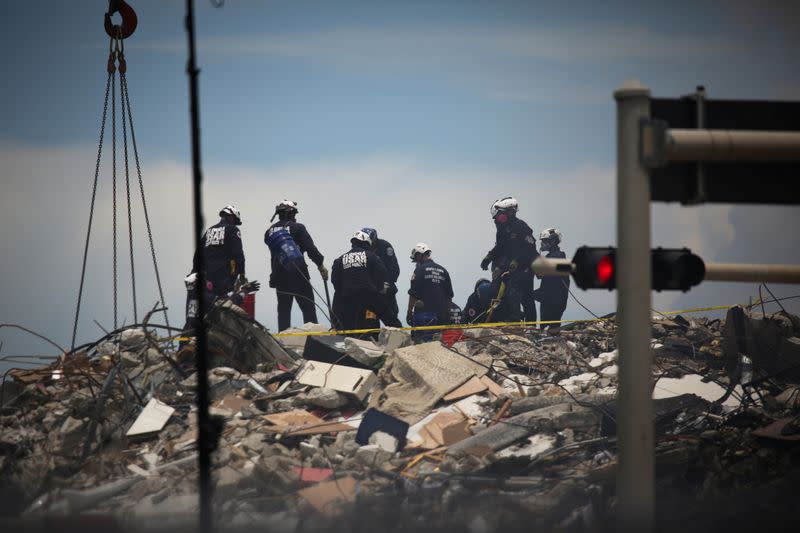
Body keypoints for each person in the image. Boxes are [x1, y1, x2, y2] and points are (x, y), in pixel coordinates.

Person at [181, 205, 246, 343]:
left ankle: (184, 348)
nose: (235, 224)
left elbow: (197, 255)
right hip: (221, 283)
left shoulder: (209, 231)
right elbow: (238, 255)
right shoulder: (232, 230)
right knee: (220, 315)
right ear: (232, 217)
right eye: (235, 221)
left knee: (192, 319)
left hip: (202, 283)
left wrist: (195, 272)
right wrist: (241, 275)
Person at [265, 199, 328, 331]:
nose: (295, 217)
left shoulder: (269, 232)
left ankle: (282, 341)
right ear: (290, 214)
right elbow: (311, 249)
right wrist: (320, 265)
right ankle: (314, 340)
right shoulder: (298, 228)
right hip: (299, 275)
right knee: (308, 309)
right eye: (294, 214)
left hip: (279, 277)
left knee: (283, 312)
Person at [479, 197, 539, 323]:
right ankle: (513, 317)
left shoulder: (521, 226)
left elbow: (531, 248)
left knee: (522, 294)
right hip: (512, 268)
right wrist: (489, 257)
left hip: (525, 267)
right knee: (508, 292)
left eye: (499, 216)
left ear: (509, 212)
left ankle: (523, 321)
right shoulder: (502, 229)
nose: (497, 220)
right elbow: (500, 247)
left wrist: (518, 260)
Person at [331, 230, 389, 332]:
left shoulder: (340, 259)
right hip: (369, 299)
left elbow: (335, 280)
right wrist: (377, 289)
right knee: (387, 318)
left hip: (347, 300)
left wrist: (344, 291)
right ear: (367, 244)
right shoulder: (372, 256)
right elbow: (383, 274)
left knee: (348, 329)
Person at [361, 227, 402, 328]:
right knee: (370, 323)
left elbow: (394, 270)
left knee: (392, 322)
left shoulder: (385, 246)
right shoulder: (363, 248)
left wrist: (385, 286)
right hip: (371, 294)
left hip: (387, 291)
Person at [407, 243, 454, 327]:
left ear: (418, 255)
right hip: (442, 317)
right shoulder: (444, 271)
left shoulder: (419, 270)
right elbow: (449, 296)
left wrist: (409, 312)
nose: (416, 263)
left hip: (424, 318)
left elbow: (413, 294)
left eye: (416, 260)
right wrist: (448, 315)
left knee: (422, 340)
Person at [533, 228, 570, 329]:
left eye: (545, 241)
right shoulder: (552, 256)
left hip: (555, 300)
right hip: (549, 297)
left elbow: (542, 273)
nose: (542, 244)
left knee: (552, 326)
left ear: (553, 241)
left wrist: (534, 255)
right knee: (546, 325)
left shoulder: (558, 256)